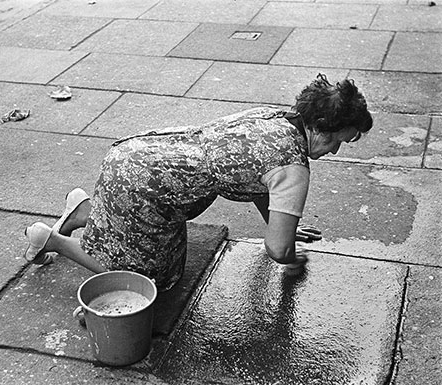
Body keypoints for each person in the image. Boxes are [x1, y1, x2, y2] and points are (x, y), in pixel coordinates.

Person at [24, 74, 373, 291]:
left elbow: (259, 181)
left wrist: (280, 224)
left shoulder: (275, 117)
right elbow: (278, 251)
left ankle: (85, 210)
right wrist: (290, 254)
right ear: (322, 127)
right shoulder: (293, 167)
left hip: (140, 153)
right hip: (148, 189)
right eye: (340, 140)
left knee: (169, 256)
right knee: (153, 282)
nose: (336, 150)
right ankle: (51, 241)